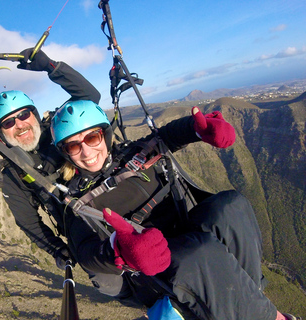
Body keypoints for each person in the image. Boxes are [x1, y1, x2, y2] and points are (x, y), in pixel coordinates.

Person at [49, 100, 299, 320]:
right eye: (73, 146)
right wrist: (120, 250)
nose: (86, 151)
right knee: (199, 254)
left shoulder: (132, 153)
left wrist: (198, 129)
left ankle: (246, 301)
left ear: (105, 135)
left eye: (92, 138)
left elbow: (168, 135)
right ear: (66, 153)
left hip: (185, 229)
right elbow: (85, 251)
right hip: (150, 268)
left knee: (231, 206)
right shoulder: (78, 201)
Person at [0, 48, 100, 270]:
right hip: (86, 234)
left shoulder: (59, 127)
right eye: (8, 123)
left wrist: (51, 67)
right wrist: (57, 249)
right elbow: (28, 221)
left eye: (23, 115)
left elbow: (89, 98)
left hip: (113, 199)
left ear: (35, 115)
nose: (19, 125)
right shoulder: (12, 170)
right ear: (1, 134)